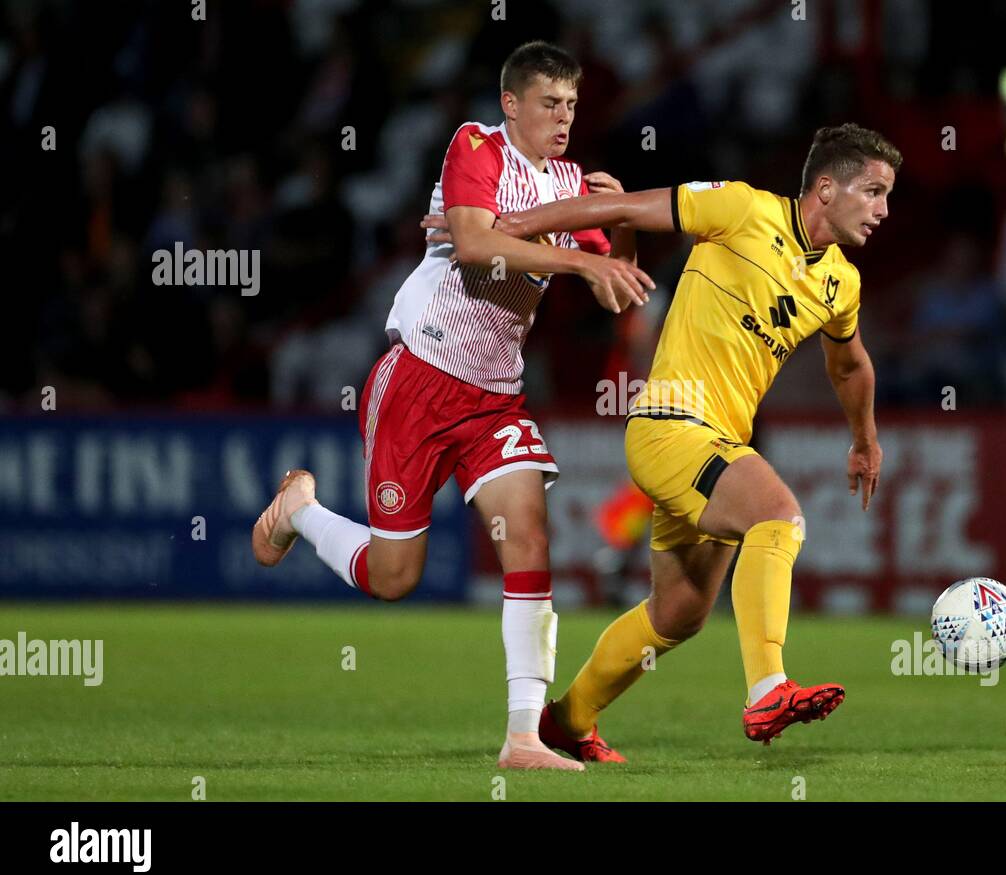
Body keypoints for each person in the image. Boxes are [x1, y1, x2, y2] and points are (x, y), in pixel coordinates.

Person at [424, 123, 894, 760]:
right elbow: (622, 208)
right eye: (872, 191)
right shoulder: (742, 208)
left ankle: (568, 720)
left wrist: (864, 440)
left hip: (717, 441)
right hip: (672, 425)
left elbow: (850, 365)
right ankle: (768, 688)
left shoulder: (841, 282)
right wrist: (504, 227)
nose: (883, 210)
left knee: (678, 612)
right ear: (827, 188)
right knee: (778, 517)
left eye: (887, 196)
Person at [251, 41, 653, 772]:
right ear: (511, 104)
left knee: (528, 535)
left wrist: (615, 220)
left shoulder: (569, 181)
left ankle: (524, 737)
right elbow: (473, 246)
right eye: (548, 104)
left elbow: (614, 272)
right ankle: (299, 511)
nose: (563, 118)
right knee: (396, 578)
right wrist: (575, 251)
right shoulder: (475, 146)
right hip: (421, 381)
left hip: (495, 399)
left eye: (570, 105)